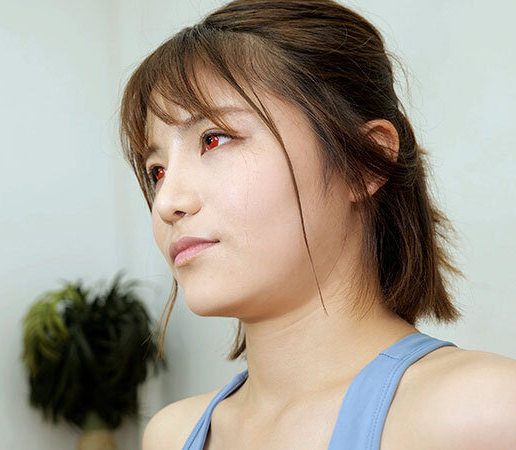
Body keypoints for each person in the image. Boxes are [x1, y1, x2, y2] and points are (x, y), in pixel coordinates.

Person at [117, 0, 516, 448]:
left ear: (364, 163)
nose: (167, 203)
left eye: (214, 139)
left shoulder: (484, 412)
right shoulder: (169, 435)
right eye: (157, 171)